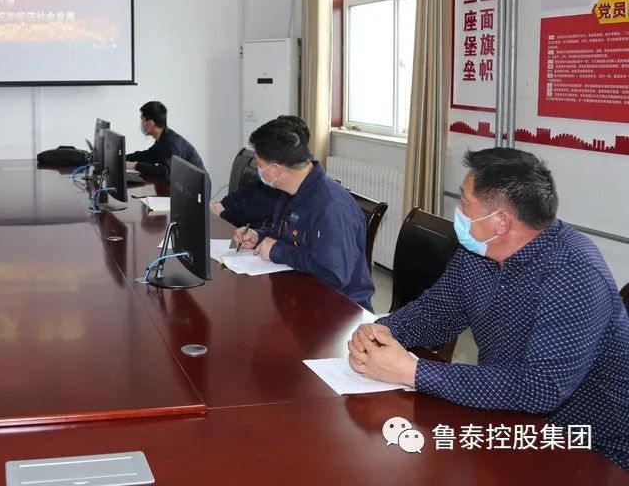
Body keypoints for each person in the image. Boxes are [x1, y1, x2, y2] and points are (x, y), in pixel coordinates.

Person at [347, 148, 629, 470]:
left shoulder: (574, 275)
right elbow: (437, 312)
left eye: (465, 204)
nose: (458, 212)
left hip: (587, 447)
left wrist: (412, 371)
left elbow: (539, 387)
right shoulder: (478, 252)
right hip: (506, 416)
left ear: (500, 222)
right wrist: (382, 330)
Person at [234, 120, 373, 310]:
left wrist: (277, 251)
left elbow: (333, 274)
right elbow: (289, 234)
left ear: (276, 169)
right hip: (299, 290)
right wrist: (259, 235)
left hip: (339, 308)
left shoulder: (331, 207)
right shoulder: (292, 190)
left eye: (259, 165)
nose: (258, 171)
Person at [211, 115, 309, 227]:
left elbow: (256, 207)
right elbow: (249, 190)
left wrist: (223, 215)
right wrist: (222, 205)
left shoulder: (287, 184)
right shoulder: (271, 174)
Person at [124, 101, 204, 181]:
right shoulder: (163, 138)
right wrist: (123, 158)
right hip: (184, 183)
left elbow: (167, 172)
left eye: (142, 120)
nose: (141, 124)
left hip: (196, 186)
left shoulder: (171, 143)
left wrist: (135, 165)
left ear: (150, 123)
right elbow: (149, 155)